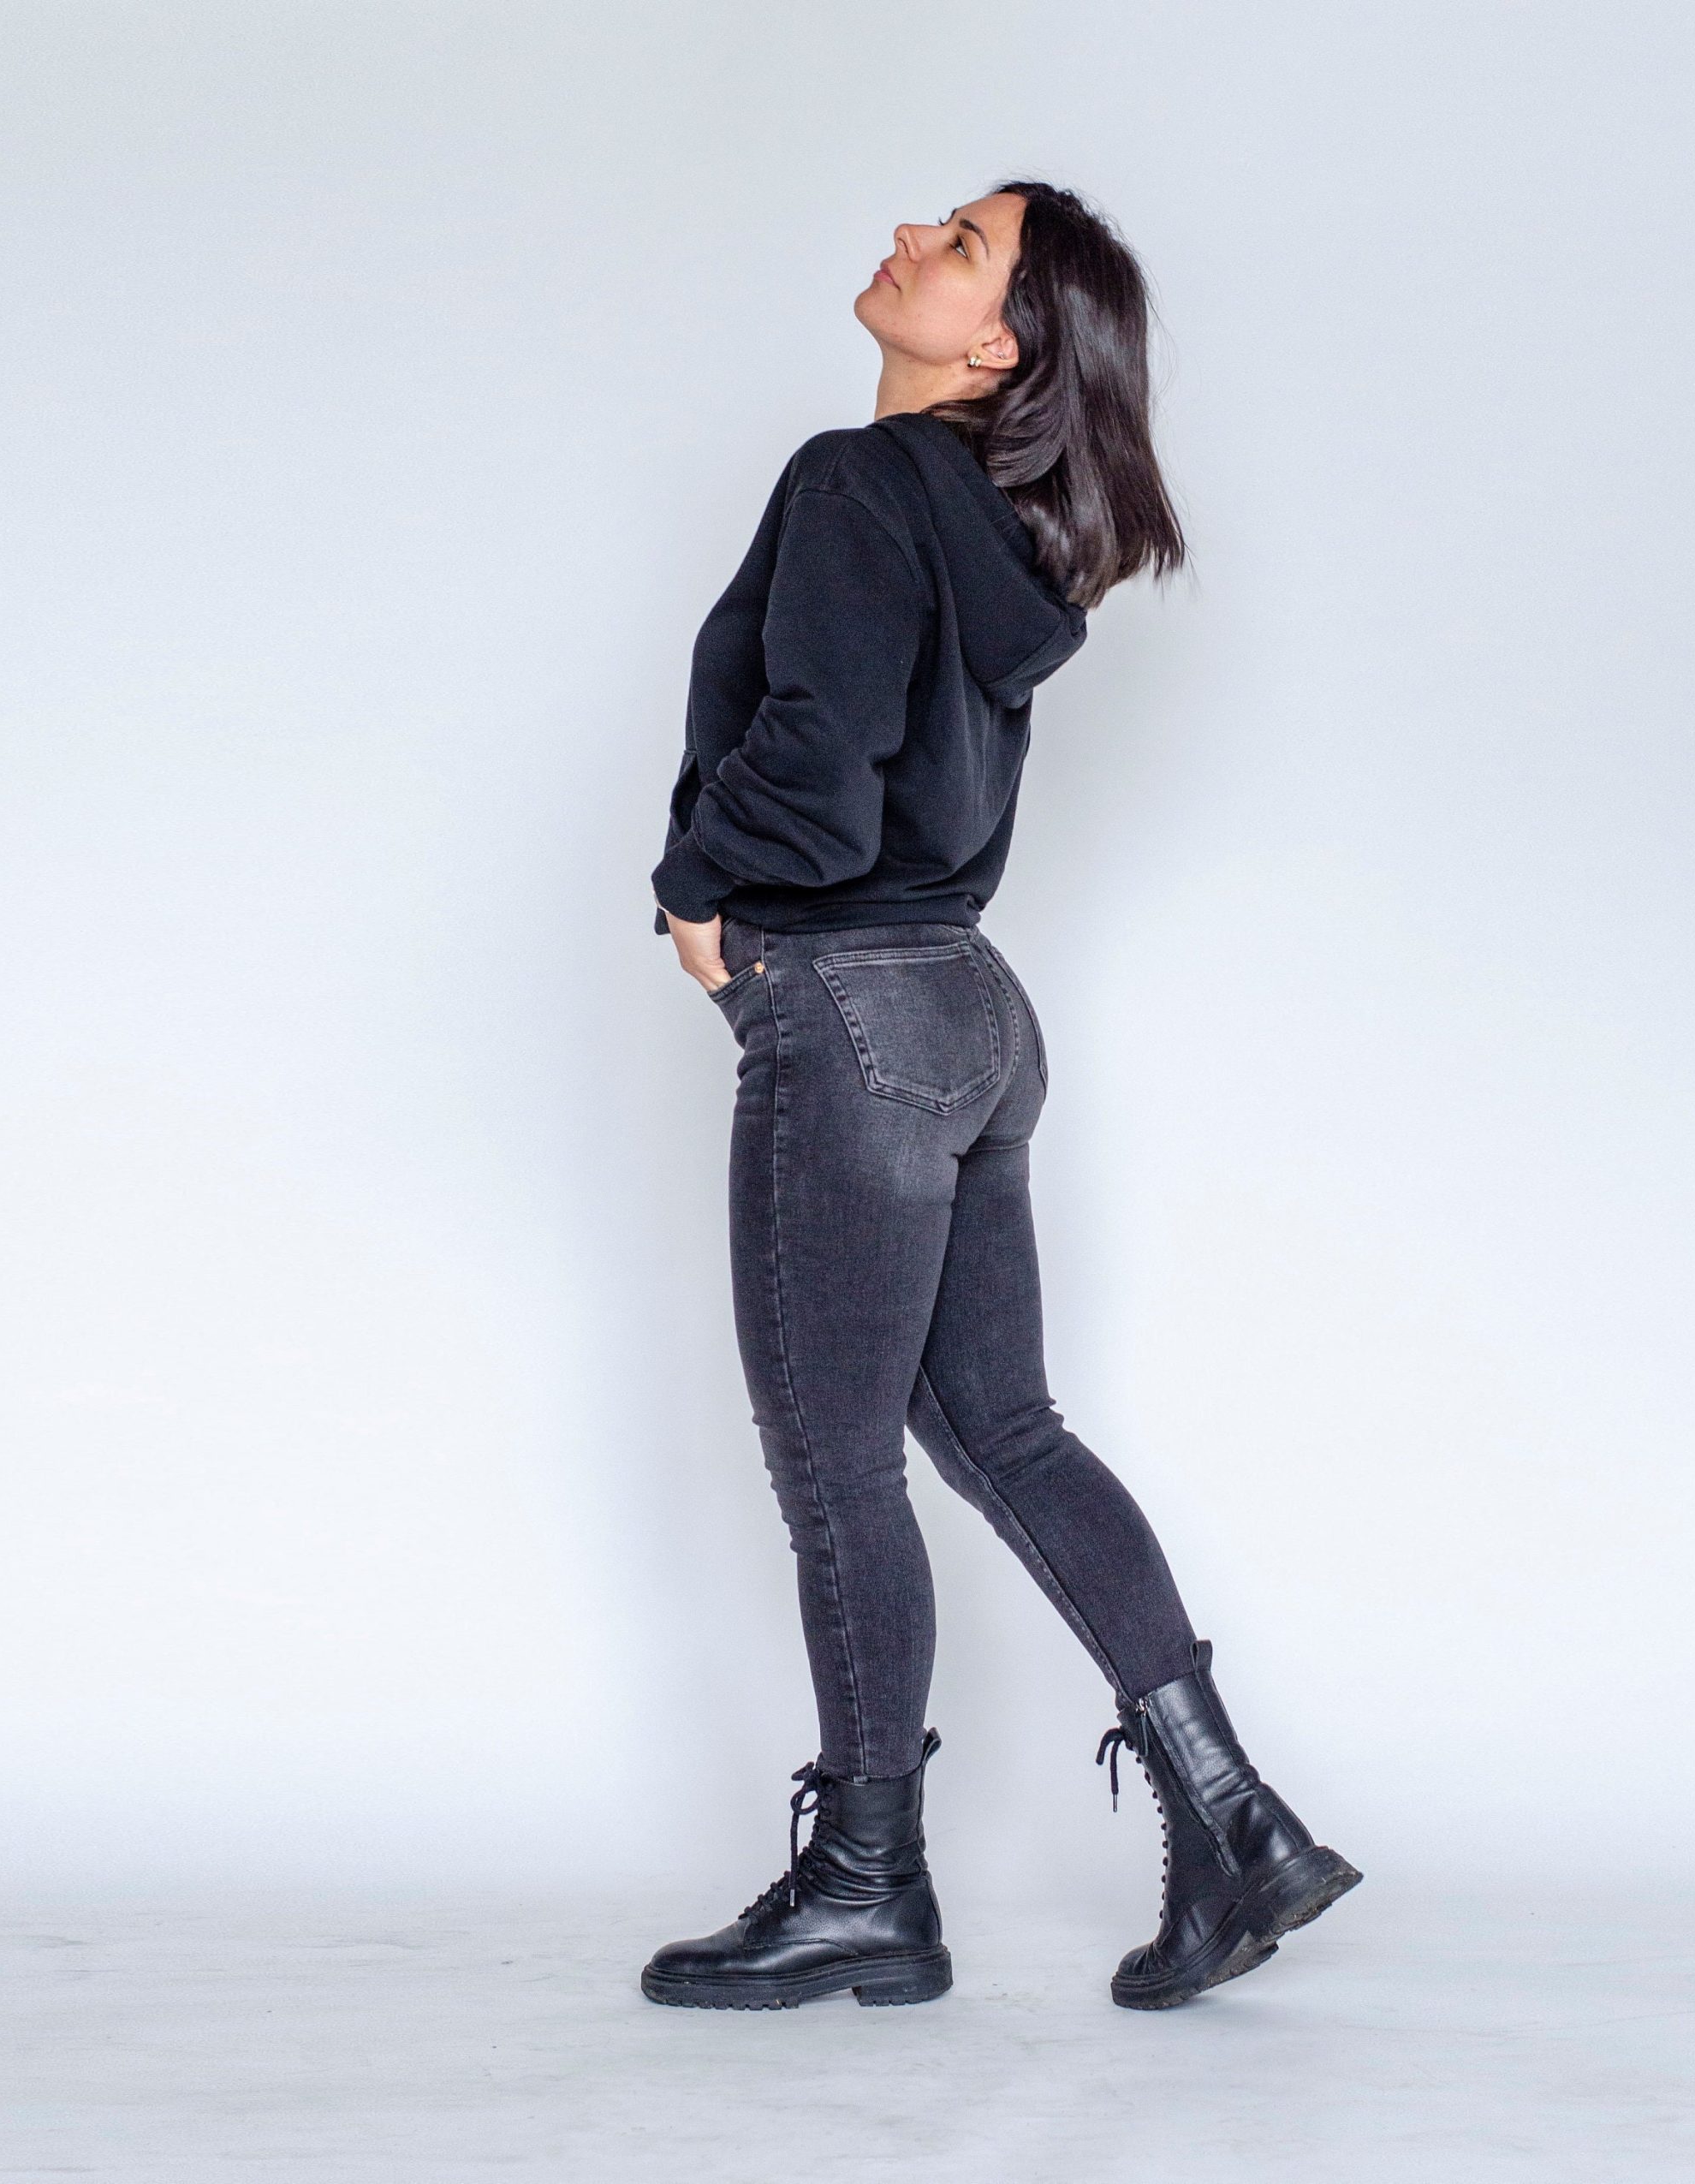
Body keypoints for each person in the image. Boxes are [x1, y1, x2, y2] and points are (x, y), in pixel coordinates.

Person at [641, 180, 1359, 2014]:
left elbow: (819, 769)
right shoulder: (998, 542)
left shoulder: (852, 485)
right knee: (1008, 1433)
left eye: (957, 243)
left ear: (994, 346)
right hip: (971, 1008)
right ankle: (1235, 1819)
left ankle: (867, 1884)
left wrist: (693, 885)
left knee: (836, 1465)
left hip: (854, 1008)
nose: (909, 233)